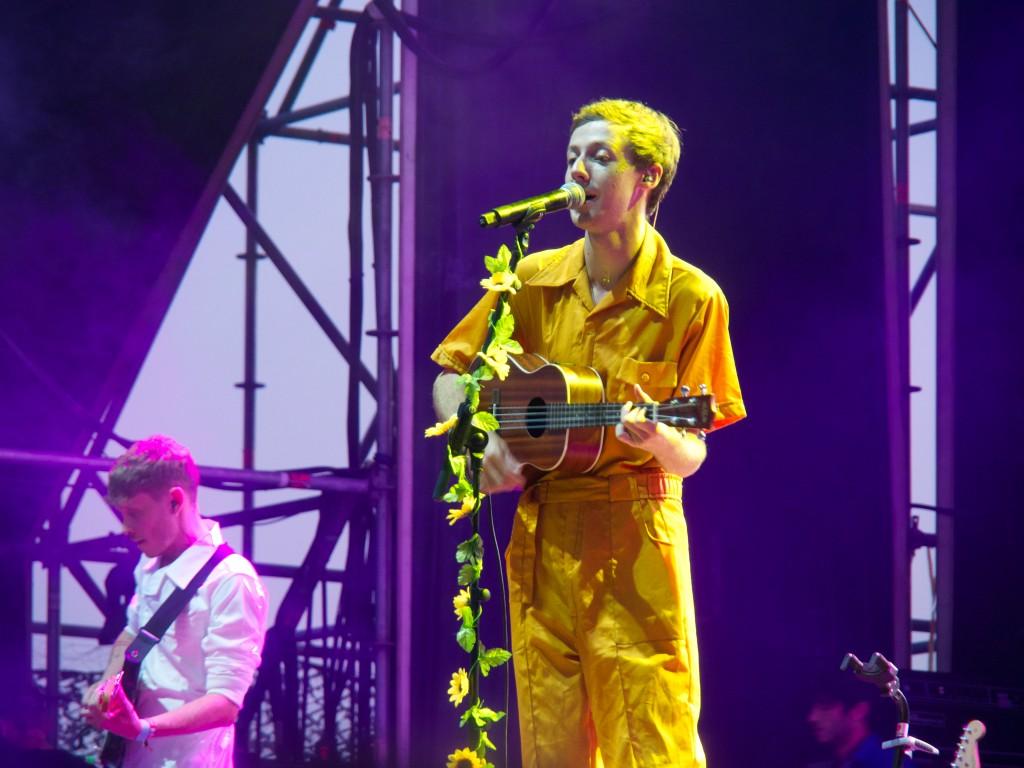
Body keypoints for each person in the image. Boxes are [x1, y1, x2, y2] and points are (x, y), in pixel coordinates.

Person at [432, 99, 746, 767]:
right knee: (552, 750)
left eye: (600, 157)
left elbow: (693, 449)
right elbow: (452, 374)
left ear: (646, 177)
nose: (579, 170)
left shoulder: (693, 297)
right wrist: (475, 436)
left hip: (636, 542)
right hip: (543, 538)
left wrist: (659, 438)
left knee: (653, 745)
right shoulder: (531, 278)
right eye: (573, 156)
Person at [82, 435, 268, 768]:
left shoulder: (232, 580)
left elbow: (226, 703)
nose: (125, 528)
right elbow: (132, 635)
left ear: (175, 501)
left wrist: (143, 728)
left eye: (134, 513)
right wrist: (108, 689)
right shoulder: (150, 562)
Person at [806, 675, 892, 768]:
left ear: (859, 711)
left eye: (825, 705)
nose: (812, 718)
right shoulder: (841, 762)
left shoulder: (889, 762)